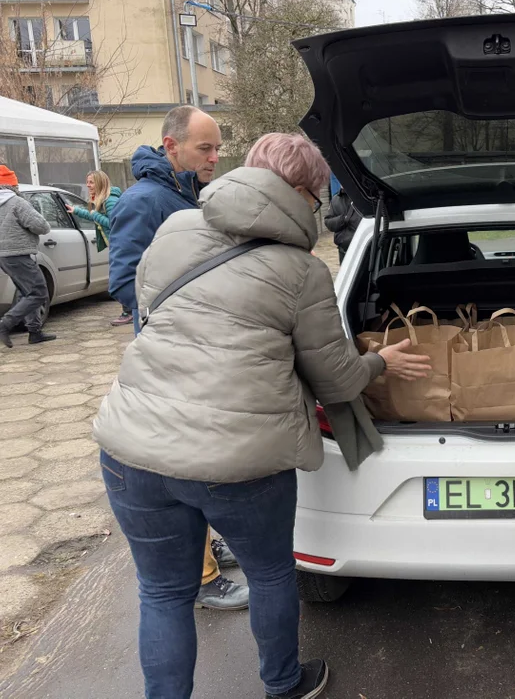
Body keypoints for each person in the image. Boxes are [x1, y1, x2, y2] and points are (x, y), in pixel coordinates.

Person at [92, 132, 431, 699]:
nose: (316, 208)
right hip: (240, 458)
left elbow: (148, 308)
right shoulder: (301, 272)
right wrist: (379, 361)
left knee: (162, 593)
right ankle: (284, 684)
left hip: (133, 446)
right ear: (299, 191)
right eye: (316, 197)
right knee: (272, 574)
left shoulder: (175, 229)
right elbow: (337, 381)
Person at [108, 105, 248, 611]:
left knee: (203, 456)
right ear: (171, 147)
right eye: (204, 149)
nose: (214, 157)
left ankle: (209, 547)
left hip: (202, 354)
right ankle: (203, 578)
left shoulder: (187, 194)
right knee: (183, 463)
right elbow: (125, 282)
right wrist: (185, 323)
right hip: (173, 362)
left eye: (216, 148)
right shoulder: (145, 201)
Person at [0, 165, 56, 348]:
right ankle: (5, 324)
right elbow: (41, 226)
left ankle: (34, 331)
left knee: (26, 292)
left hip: (4, 256)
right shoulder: (16, 202)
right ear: (12, 185)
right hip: (18, 254)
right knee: (39, 292)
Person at [65, 170, 130, 325]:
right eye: (87, 182)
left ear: (100, 182)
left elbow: (115, 222)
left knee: (119, 280)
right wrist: (77, 211)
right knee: (121, 278)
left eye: (91, 182)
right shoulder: (102, 199)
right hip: (117, 245)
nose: (88, 185)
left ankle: (129, 312)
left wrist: (95, 214)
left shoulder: (110, 201)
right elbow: (96, 216)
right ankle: (130, 310)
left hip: (122, 245)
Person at [323, 186, 361, 263]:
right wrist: (343, 219)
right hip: (344, 251)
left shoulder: (363, 198)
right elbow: (328, 222)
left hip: (362, 249)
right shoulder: (336, 199)